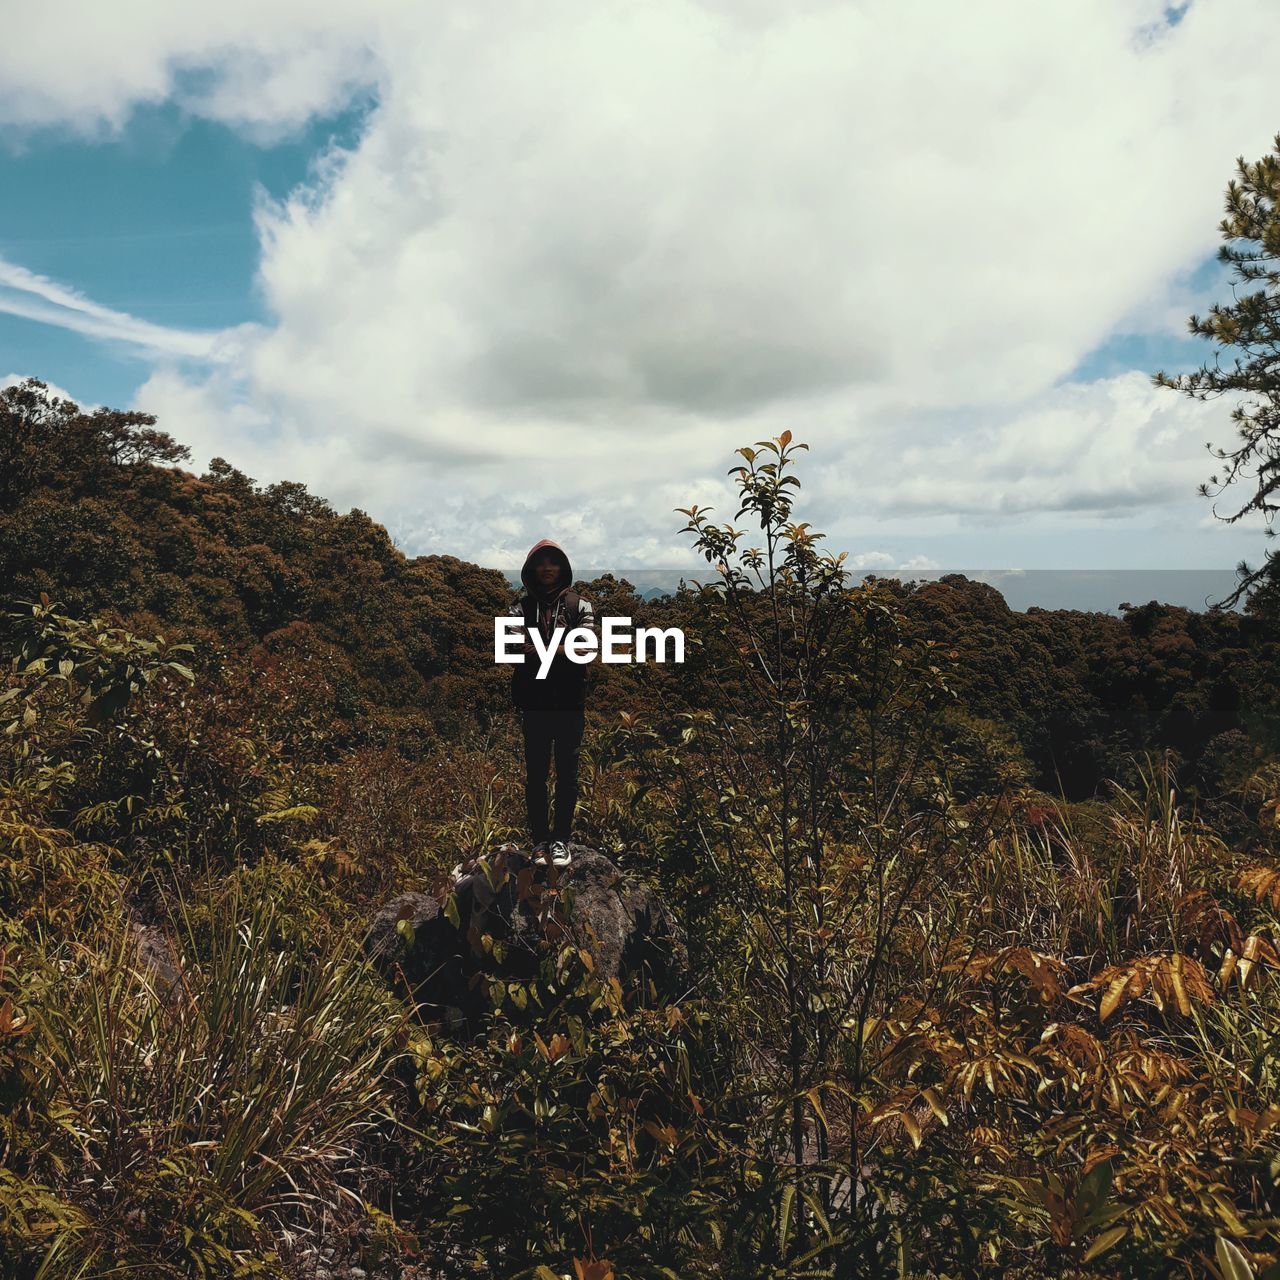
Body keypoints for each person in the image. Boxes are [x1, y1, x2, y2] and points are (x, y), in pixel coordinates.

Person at [508, 540, 595, 868]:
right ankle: (540, 841)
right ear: (532, 569)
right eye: (541, 562)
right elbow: (513, 649)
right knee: (536, 775)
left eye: (553, 562)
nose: (547, 567)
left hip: (571, 705)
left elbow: (586, 649)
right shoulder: (519, 608)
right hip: (534, 704)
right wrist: (563, 648)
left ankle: (561, 840)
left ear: (562, 567)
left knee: (568, 775)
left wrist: (540, 649)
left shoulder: (580, 605)